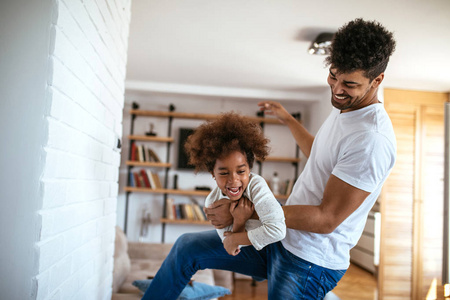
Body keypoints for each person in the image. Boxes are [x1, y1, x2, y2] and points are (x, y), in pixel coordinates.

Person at [142, 18, 397, 299]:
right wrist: (288, 120)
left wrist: (244, 210)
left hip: (309, 260)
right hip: (281, 236)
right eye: (333, 75)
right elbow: (321, 156)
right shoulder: (345, 111)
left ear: (377, 81)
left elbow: (327, 218)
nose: (336, 89)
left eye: (349, 83)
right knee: (187, 247)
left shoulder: (372, 139)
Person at [184, 112, 286, 256]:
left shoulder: (256, 184)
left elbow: (278, 230)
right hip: (253, 251)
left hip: (281, 248)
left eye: (241, 171)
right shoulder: (213, 202)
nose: (233, 180)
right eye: (224, 173)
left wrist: (236, 233)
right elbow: (233, 248)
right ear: (213, 174)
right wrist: (239, 219)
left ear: (249, 169)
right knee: (186, 244)